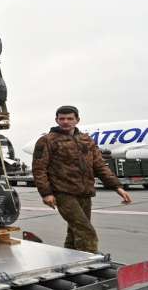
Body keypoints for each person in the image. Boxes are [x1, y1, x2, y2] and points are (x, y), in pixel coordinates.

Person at [32, 105, 132, 253]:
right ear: (56, 120)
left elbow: (99, 165)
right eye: (62, 118)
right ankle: (92, 262)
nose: (66, 121)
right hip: (63, 193)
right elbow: (39, 169)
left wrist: (117, 187)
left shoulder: (86, 140)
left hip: (84, 192)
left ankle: (70, 256)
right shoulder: (46, 141)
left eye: (70, 118)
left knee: (75, 230)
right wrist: (46, 193)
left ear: (77, 120)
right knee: (85, 230)